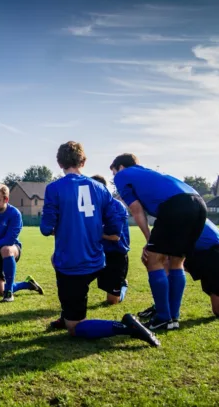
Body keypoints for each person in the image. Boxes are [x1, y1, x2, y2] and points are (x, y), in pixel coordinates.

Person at [41, 141, 159, 347]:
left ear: (59, 163)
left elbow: (45, 228)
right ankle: (68, 312)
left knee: (75, 327)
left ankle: (125, 327)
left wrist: (64, 226)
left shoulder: (54, 188)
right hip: (97, 259)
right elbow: (115, 224)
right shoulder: (100, 189)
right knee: (66, 278)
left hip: (72, 264)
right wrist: (95, 230)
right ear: (83, 161)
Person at [111, 154, 207, 330]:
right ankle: (173, 318)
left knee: (152, 259)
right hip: (199, 203)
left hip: (176, 205)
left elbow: (137, 210)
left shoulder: (122, 175)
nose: (114, 177)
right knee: (176, 261)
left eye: (114, 172)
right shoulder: (148, 174)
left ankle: (163, 316)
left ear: (121, 167)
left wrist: (149, 240)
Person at [139, 219, 219, 319]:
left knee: (158, 259)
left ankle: (162, 308)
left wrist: (149, 248)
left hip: (213, 256)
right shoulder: (193, 210)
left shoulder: (178, 214)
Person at [0, 183, 43, 302]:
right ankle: (27, 284)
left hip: (12, 249)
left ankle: (9, 293)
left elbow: (10, 239)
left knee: (6, 249)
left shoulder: (14, 214)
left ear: (6, 199)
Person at [91, 175, 130, 305]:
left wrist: (94, 233)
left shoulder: (115, 207)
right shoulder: (91, 206)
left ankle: (123, 286)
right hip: (98, 252)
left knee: (112, 301)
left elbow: (115, 237)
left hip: (116, 254)